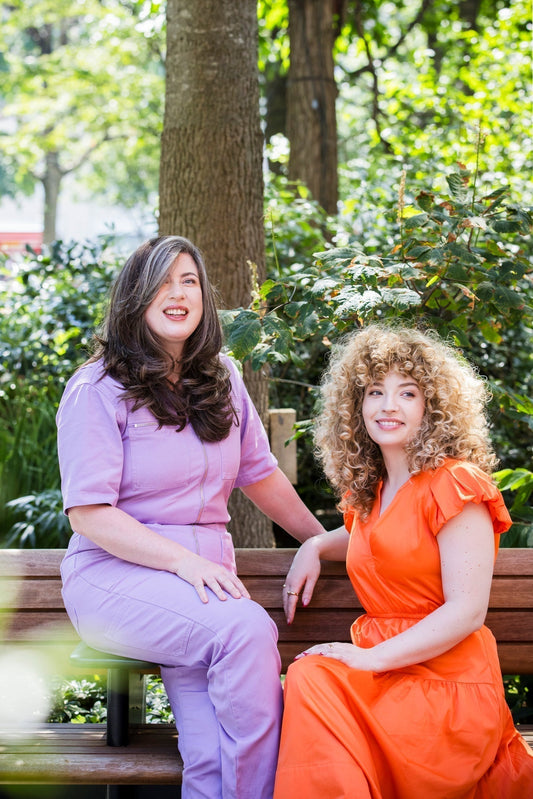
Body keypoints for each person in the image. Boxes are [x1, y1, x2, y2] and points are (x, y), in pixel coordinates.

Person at [56, 235, 326, 799]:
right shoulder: (96, 389)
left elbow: (260, 473)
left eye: (189, 281)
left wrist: (322, 541)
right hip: (119, 578)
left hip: (203, 583)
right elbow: (89, 514)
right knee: (248, 629)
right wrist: (181, 563)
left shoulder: (222, 376)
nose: (177, 294)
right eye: (161, 281)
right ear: (134, 297)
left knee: (209, 747)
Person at [274, 324, 533, 798]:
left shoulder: (455, 485)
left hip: (445, 683)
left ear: (432, 408)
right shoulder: (372, 494)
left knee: (314, 679)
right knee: (311, 676)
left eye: (407, 393)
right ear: (357, 407)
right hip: (380, 678)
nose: (388, 405)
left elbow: (467, 610)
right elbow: (367, 537)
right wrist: (312, 547)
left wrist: (370, 657)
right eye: (375, 392)